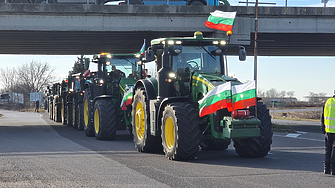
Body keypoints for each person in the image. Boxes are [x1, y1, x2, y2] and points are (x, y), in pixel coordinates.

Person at [321, 95, 335, 175]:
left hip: (328, 130)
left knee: (328, 149)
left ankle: (327, 169)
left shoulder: (328, 102)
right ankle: (334, 169)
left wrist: (323, 129)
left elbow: (322, 116)